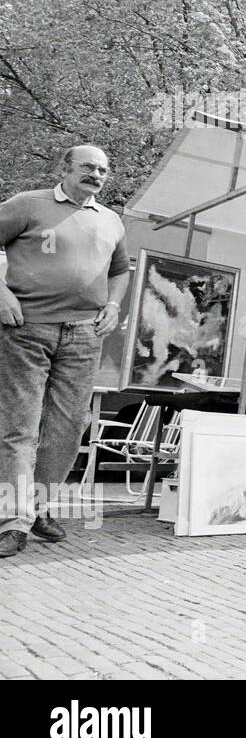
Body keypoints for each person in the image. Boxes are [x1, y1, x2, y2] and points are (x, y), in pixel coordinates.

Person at [0, 145, 130, 558]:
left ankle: (36, 507)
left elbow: (121, 271)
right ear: (64, 168)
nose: (97, 174)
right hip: (26, 329)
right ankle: (13, 522)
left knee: (69, 426)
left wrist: (113, 305)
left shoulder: (111, 220)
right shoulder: (27, 205)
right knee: (20, 427)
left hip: (84, 336)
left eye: (104, 170)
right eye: (89, 167)